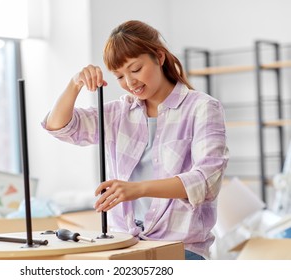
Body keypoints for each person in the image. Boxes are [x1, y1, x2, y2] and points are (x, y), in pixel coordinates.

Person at [42, 20, 229, 260]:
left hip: (181, 248)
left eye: (136, 69)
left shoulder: (202, 108)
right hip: (124, 243)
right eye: (119, 76)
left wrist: (137, 189)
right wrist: (74, 84)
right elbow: (59, 127)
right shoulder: (119, 113)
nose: (130, 83)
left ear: (159, 57)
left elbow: (206, 182)